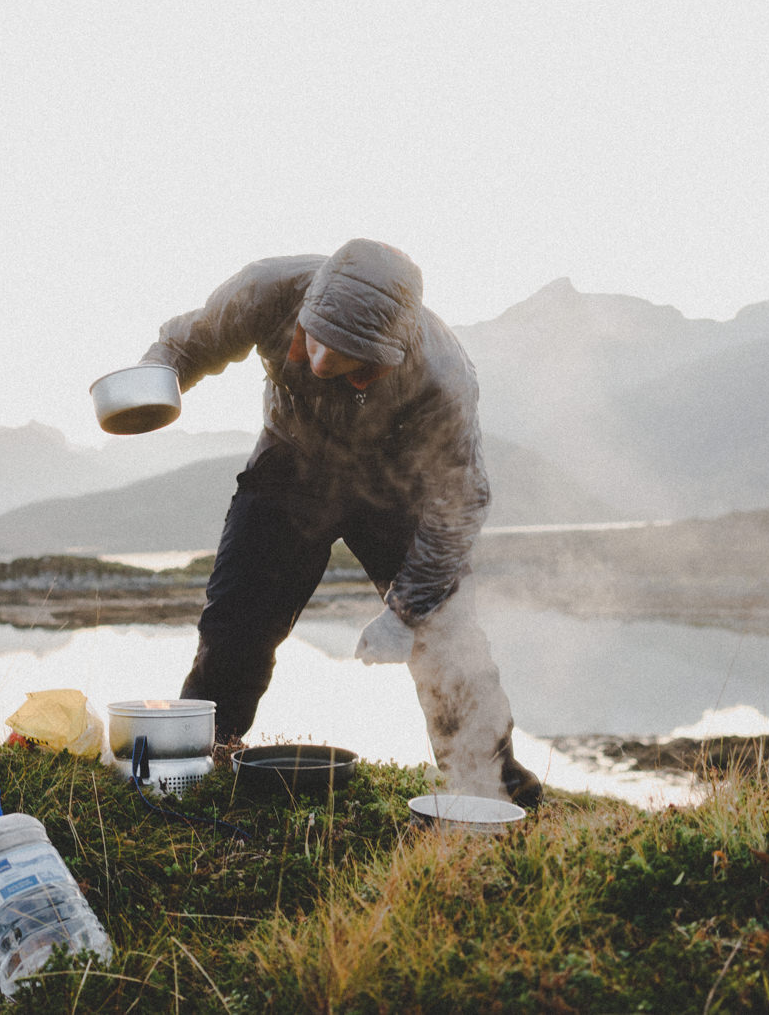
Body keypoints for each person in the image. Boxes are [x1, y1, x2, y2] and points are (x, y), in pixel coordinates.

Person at [138, 238, 543, 807]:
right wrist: (155, 377)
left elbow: (462, 499)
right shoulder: (266, 290)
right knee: (236, 624)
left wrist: (406, 613)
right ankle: (193, 766)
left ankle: (489, 785)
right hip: (291, 467)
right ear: (304, 310)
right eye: (312, 344)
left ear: (383, 360)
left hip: (395, 487)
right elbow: (188, 342)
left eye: (348, 364)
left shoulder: (443, 377)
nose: (320, 364)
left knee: (447, 636)